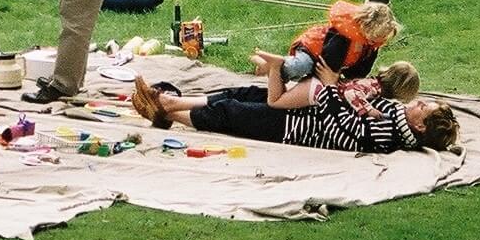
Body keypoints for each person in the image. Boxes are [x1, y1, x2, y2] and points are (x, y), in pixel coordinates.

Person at [136, 55, 458, 154]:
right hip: (306, 110)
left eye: (424, 108)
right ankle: (167, 103)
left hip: (296, 128)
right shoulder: (395, 114)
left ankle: (164, 109)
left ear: (420, 125)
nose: (420, 102)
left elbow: (343, 128)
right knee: (246, 93)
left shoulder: (389, 132)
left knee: (231, 113)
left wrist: (330, 87)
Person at [281, 0, 400, 84]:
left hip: (332, 67)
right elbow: (330, 58)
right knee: (298, 67)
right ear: (367, 28)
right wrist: (332, 79)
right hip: (313, 51)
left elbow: (361, 70)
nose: (380, 39)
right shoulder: (344, 35)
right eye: (378, 35)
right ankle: (274, 68)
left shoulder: (371, 45)